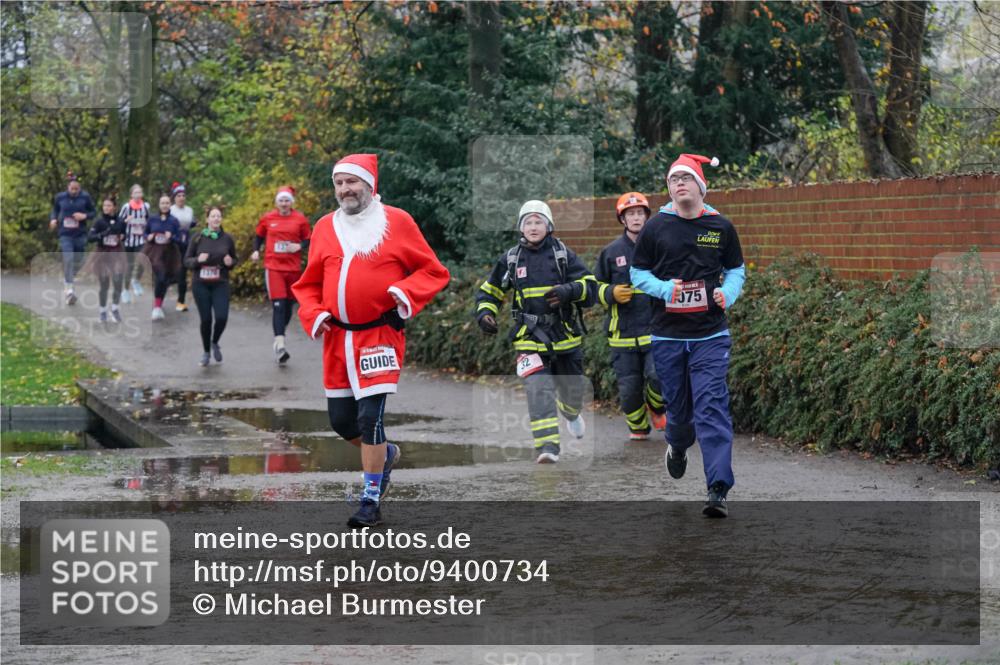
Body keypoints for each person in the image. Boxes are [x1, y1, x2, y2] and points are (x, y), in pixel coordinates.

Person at [292, 154, 450, 528]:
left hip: (379, 336)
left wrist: (404, 293)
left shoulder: (397, 221)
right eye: (339, 183)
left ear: (369, 184)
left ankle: (370, 500)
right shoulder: (325, 226)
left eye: (352, 182)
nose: (345, 189)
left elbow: (433, 271)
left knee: (370, 418)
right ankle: (386, 454)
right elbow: (308, 284)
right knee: (342, 422)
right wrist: (314, 314)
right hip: (338, 339)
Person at [629, 154, 746, 518]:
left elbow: (736, 270)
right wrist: (665, 289)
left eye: (685, 178)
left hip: (711, 335)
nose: (678, 183)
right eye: (673, 179)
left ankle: (718, 488)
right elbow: (637, 274)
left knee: (711, 407)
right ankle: (677, 445)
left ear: (700, 185)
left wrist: (728, 293)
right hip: (668, 336)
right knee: (679, 413)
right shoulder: (656, 227)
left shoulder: (720, 226)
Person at [474, 200, 596, 464]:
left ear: (548, 226)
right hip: (528, 338)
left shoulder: (563, 255)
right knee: (538, 390)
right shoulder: (511, 259)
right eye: (527, 222)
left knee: (572, 393)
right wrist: (485, 314)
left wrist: (569, 291)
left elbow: (590, 288)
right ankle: (547, 447)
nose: (533, 227)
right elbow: (490, 291)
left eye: (538, 221)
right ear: (521, 228)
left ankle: (571, 412)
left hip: (564, 336)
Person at [594, 192, 668, 441]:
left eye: (640, 213)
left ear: (647, 217)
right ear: (622, 219)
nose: (636, 218)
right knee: (629, 391)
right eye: (631, 214)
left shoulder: (659, 248)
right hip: (622, 335)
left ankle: (657, 407)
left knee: (659, 376)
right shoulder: (610, 252)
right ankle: (638, 427)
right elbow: (593, 288)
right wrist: (610, 293)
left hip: (655, 329)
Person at [251, 185, 312, 364]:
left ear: (291, 202)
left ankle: (280, 335)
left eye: (287, 201)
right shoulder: (268, 218)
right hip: (274, 267)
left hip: (293, 269)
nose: (284, 204)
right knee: (278, 305)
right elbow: (258, 236)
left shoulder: (300, 219)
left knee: (288, 306)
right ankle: (280, 344)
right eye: (281, 201)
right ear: (277, 203)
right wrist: (256, 251)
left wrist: (299, 246)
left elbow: (308, 238)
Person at [184, 206, 238, 366]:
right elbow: (186, 260)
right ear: (207, 219)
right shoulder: (197, 238)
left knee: (222, 317)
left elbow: (234, 259)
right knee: (206, 319)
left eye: (218, 216)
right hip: (200, 284)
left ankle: (215, 341)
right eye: (213, 216)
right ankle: (206, 352)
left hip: (220, 283)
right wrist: (197, 260)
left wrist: (230, 262)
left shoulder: (227, 238)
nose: (216, 219)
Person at [49, 171, 96, 305]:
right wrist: (53, 219)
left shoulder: (85, 197)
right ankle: (69, 290)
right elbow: (55, 210)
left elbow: (93, 212)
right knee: (68, 258)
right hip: (65, 234)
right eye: (72, 189)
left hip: (80, 234)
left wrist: (84, 216)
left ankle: (68, 278)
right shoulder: (60, 197)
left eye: (77, 189)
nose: (74, 191)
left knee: (80, 260)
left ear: (80, 188)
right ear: (68, 187)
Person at [85, 197, 127, 322]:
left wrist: (123, 236)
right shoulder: (99, 222)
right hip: (102, 254)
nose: (106, 208)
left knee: (118, 282)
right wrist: (101, 235)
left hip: (117, 253)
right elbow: (90, 237)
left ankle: (115, 309)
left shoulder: (120, 221)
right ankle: (102, 311)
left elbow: (124, 234)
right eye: (104, 205)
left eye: (109, 205)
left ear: (114, 207)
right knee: (104, 285)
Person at [143, 194, 182, 321]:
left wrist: (171, 237)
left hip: (169, 253)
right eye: (162, 203)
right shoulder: (152, 219)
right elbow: (145, 232)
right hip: (154, 251)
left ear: (170, 205)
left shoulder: (174, 221)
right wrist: (148, 237)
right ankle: (156, 308)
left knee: (164, 279)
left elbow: (179, 239)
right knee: (160, 276)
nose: (165, 205)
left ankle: (158, 305)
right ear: (159, 205)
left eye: (167, 203)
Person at [119, 183, 151, 303]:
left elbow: (149, 220)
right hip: (128, 240)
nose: (138, 194)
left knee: (143, 259)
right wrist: (125, 221)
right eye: (135, 192)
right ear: (131, 195)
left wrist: (148, 230)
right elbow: (119, 221)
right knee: (129, 266)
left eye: (140, 192)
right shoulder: (126, 207)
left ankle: (136, 280)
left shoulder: (146, 206)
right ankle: (126, 290)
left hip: (141, 239)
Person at [169, 182, 196, 312]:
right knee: (169, 273)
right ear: (174, 197)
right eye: (179, 195)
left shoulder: (189, 210)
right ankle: (158, 300)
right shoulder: (170, 210)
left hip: (185, 243)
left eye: (183, 195)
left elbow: (191, 223)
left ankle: (181, 302)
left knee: (182, 272)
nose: (181, 198)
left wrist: (194, 224)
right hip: (172, 243)